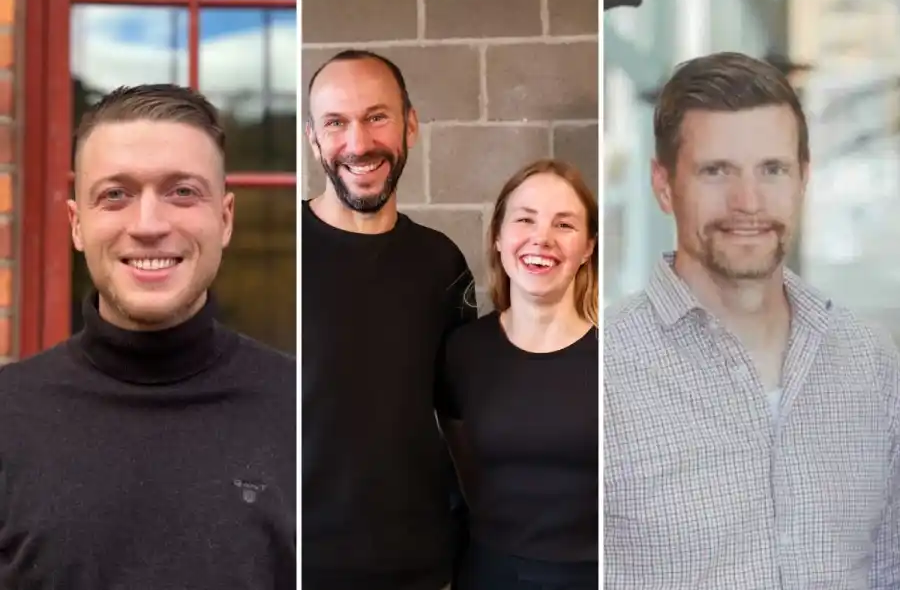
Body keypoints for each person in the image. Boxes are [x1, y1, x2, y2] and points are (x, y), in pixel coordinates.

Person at [604, 51, 900, 588]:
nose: (748, 202)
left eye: (772, 170)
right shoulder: (603, 370)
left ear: (803, 178)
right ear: (664, 185)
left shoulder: (871, 362)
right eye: (717, 171)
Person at [0, 84, 296, 588]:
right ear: (77, 224)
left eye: (182, 192)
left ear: (225, 219)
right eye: (115, 194)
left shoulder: (299, 407)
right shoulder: (8, 415)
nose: (149, 225)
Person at [302, 50, 476, 590]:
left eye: (377, 117)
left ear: (411, 125)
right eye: (336, 123)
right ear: (313, 139)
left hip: (419, 565)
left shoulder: (442, 262)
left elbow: (460, 419)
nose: (358, 144)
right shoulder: (283, 254)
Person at [437, 159, 599, 590]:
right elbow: (462, 468)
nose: (541, 238)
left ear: (588, 247)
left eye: (564, 224)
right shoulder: (463, 351)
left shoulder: (619, 357)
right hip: (487, 574)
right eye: (525, 219)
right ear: (498, 236)